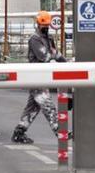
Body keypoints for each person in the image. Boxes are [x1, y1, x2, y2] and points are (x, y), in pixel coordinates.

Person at [11, 11, 66, 144]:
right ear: (38, 24)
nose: (46, 28)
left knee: (33, 108)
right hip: (36, 76)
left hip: (42, 77)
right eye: (44, 25)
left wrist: (65, 63)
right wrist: (53, 54)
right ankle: (60, 132)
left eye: (47, 25)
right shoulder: (35, 39)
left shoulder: (48, 38)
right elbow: (45, 56)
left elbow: (55, 54)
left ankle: (19, 132)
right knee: (47, 105)